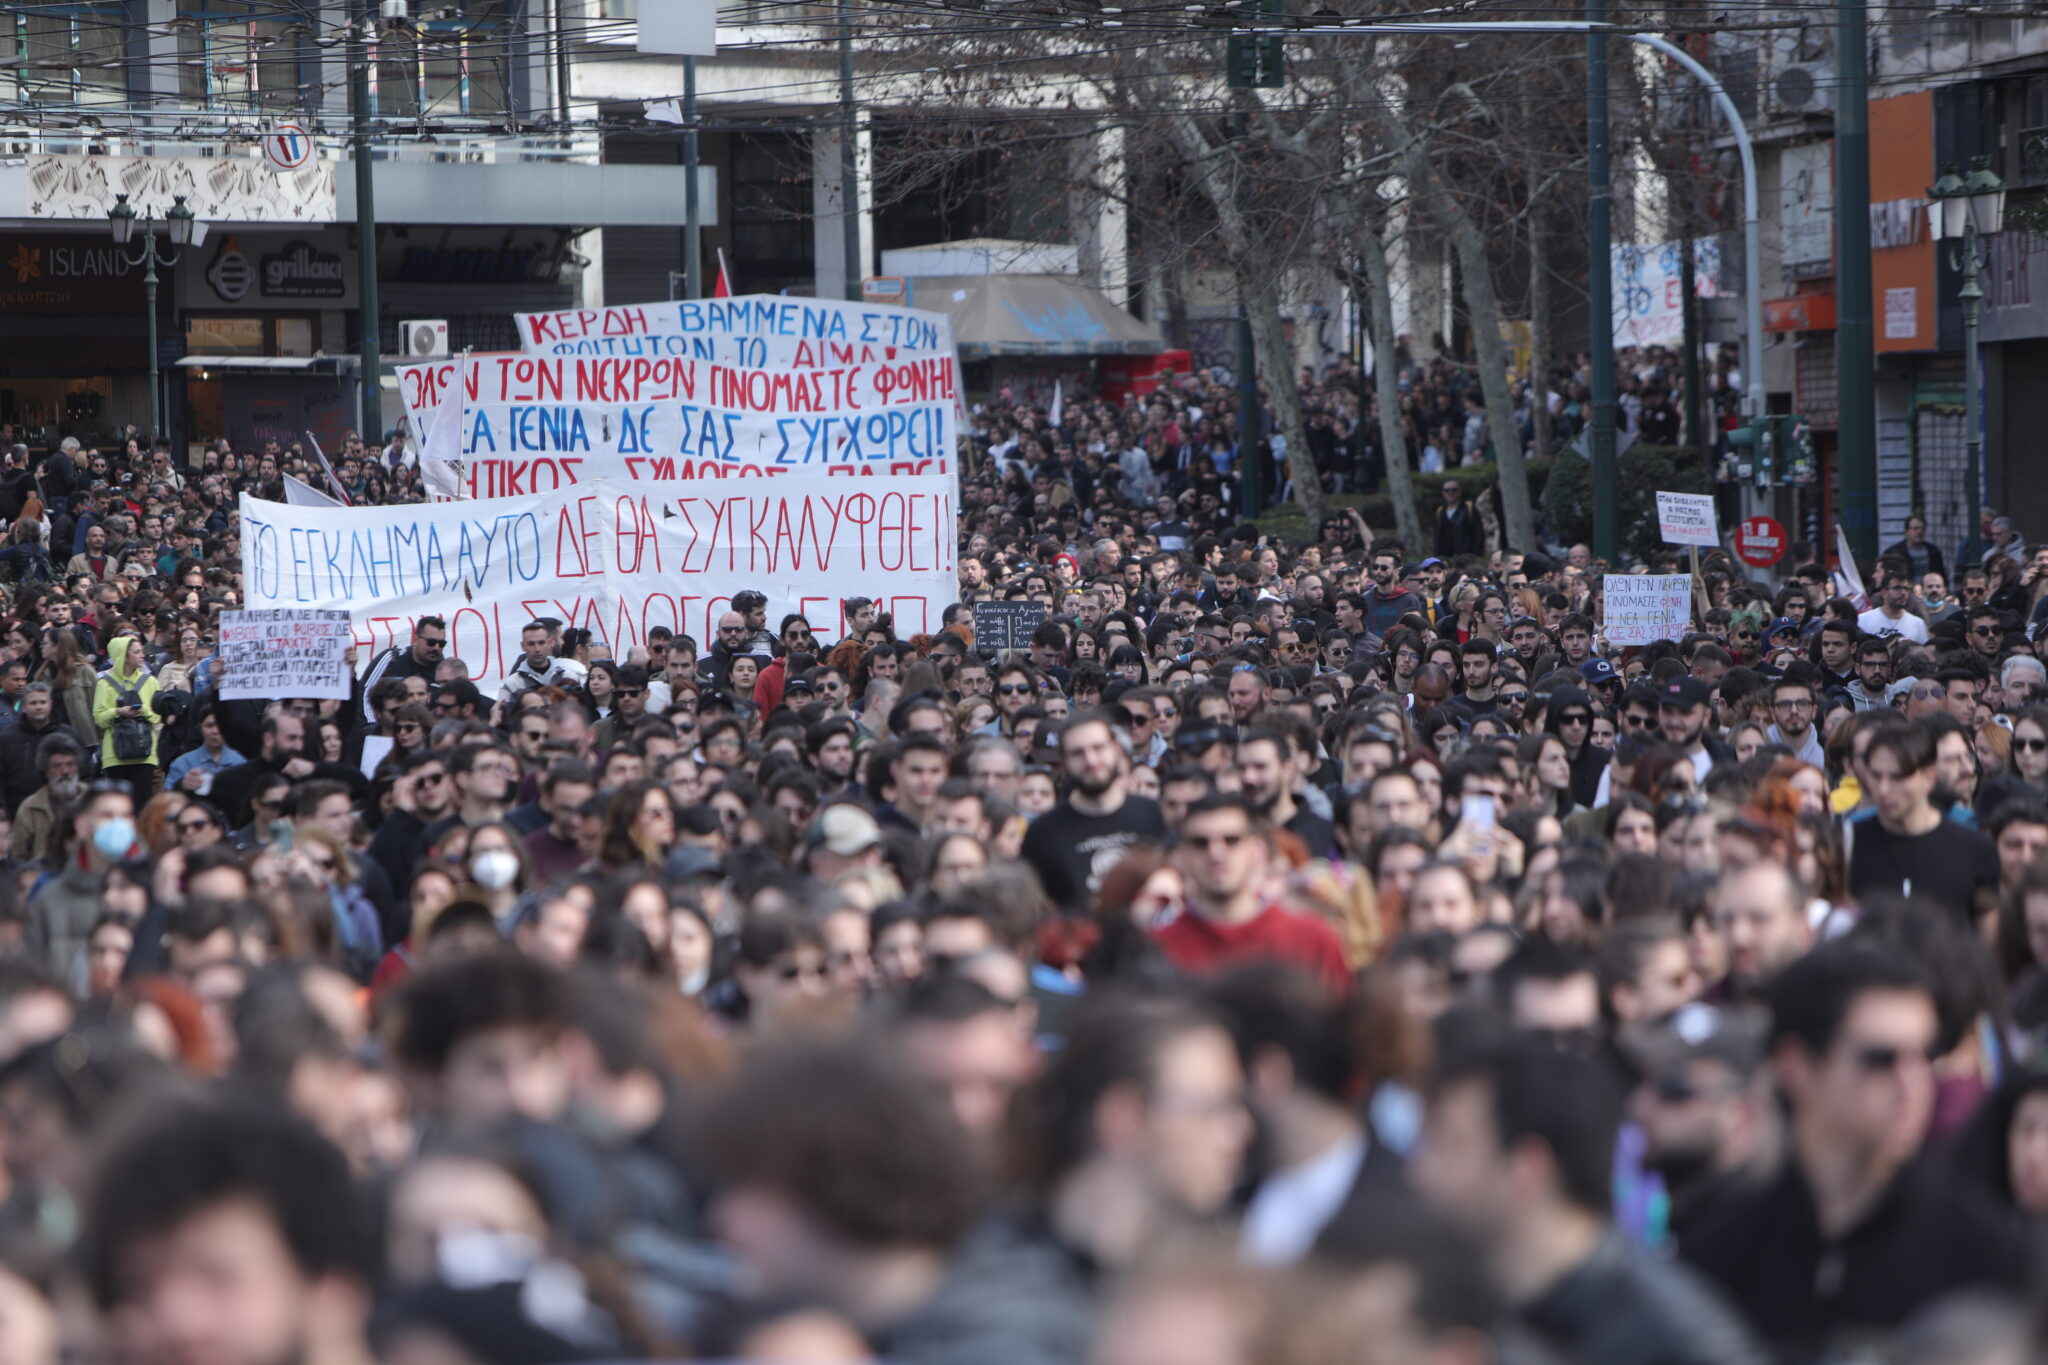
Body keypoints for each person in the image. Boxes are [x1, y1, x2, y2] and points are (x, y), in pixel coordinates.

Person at [1684, 940, 2028, 1355]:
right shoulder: (1717, 1255)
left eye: (1924, 1055)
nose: (1912, 1083)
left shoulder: (1988, 1258)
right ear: (1797, 1068)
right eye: (1881, 1059)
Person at [1411, 1023, 1762, 1365]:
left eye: (1450, 1146)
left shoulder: (1682, 1344)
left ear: (1527, 1170)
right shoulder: (1450, 1298)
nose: (1423, 1172)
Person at [1152, 793, 1349, 992]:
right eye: (1200, 843)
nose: (1216, 853)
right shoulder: (1156, 949)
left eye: (1231, 840)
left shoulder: (1313, 940)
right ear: (1182, 855)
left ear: (1257, 850)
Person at [1847, 722, 2000, 922]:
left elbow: (1987, 938)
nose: (1883, 789)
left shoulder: (1975, 850)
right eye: (1876, 776)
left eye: (1898, 777)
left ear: (1929, 778)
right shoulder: (1847, 843)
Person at [1019, 712, 1166, 911]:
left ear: (1115, 750)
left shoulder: (1155, 815)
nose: (1091, 761)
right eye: (1078, 753)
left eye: (1098, 748)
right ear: (1063, 761)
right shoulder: (1043, 833)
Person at [358, 617, 448, 724]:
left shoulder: (444, 673)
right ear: (415, 639)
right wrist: (370, 726)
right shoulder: (391, 659)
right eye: (431, 642)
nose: (436, 648)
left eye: (441, 644)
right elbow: (365, 692)